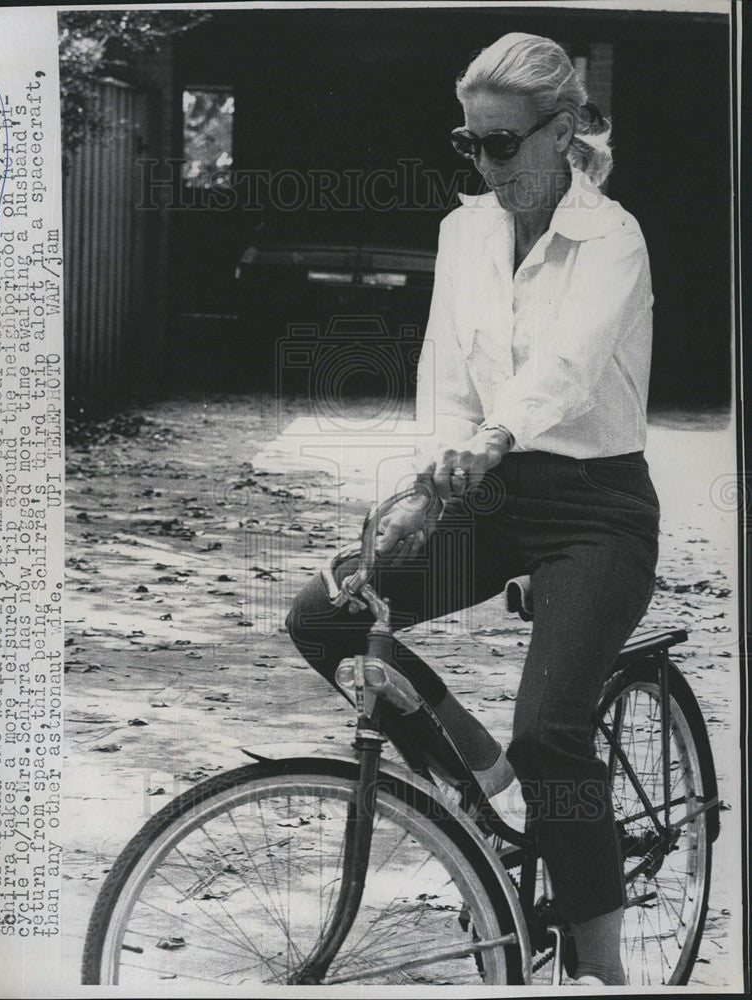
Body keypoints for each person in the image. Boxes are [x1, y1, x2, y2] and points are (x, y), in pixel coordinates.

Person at [285, 32, 660, 987]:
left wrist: (493, 438)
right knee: (327, 616)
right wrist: (421, 488)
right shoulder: (463, 235)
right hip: (483, 500)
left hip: (594, 512)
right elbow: (444, 378)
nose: (486, 166)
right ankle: (478, 776)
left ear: (562, 130)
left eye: (503, 144)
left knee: (555, 736)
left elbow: (566, 371)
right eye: (470, 144)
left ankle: (601, 972)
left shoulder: (611, 237)